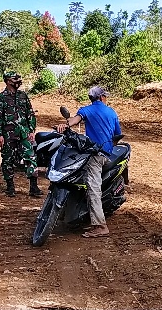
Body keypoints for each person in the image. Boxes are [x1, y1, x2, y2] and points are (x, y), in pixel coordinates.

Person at [56, 86, 122, 238]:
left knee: (93, 188)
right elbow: (117, 135)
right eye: (105, 96)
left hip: (94, 156)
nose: (106, 98)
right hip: (106, 155)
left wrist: (65, 125)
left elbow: (74, 120)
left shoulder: (86, 110)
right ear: (101, 98)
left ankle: (100, 225)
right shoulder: (111, 112)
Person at [0, 71, 43, 198]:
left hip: (24, 134)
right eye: (15, 79)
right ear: (8, 81)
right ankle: (10, 187)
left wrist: (31, 130)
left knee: (30, 157)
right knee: (7, 159)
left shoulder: (23, 96)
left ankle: (33, 187)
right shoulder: (0, 98)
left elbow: (30, 113)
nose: (18, 81)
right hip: (8, 135)